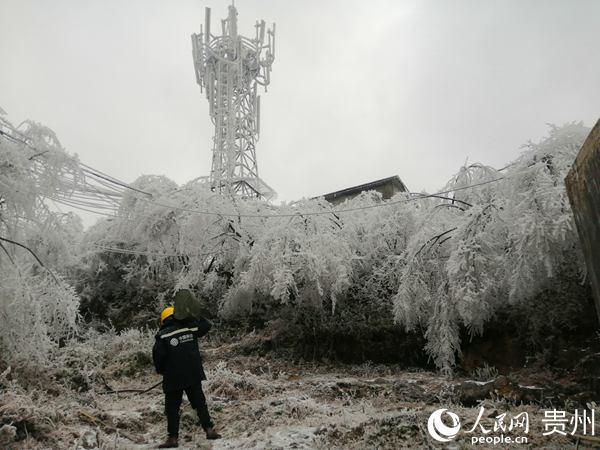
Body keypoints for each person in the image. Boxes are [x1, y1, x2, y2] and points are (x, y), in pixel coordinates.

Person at [153, 302, 221, 448]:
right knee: (199, 404)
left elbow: (158, 358)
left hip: (173, 378)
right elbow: (207, 324)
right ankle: (209, 430)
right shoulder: (190, 327)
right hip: (193, 374)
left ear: (164, 320)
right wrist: (192, 315)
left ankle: (173, 439)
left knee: (172, 409)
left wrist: (162, 371)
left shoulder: (162, 335)